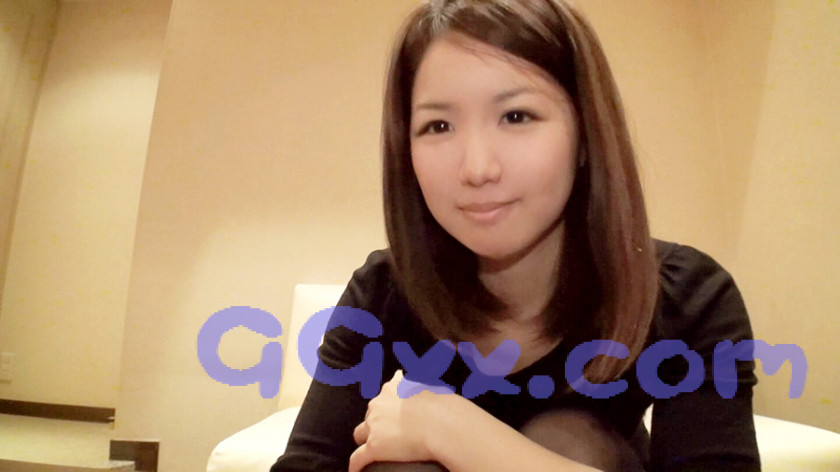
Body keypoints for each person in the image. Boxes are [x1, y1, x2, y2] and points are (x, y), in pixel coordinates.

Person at [272, 0, 760, 471]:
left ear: (585, 135)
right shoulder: (385, 290)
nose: (477, 168)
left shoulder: (684, 296)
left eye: (516, 116)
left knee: (573, 439)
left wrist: (449, 427)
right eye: (438, 125)